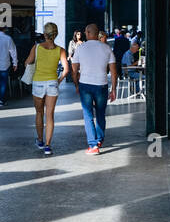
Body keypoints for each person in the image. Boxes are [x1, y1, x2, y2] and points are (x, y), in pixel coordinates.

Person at [71, 22, 116, 154]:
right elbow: (114, 71)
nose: (84, 33)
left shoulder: (80, 48)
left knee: (88, 114)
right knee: (101, 114)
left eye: (86, 31)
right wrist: (113, 89)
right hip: (101, 85)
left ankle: (93, 145)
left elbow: (74, 71)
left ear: (89, 33)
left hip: (85, 85)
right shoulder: (107, 48)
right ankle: (99, 140)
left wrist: (76, 85)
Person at [24, 22, 68, 155]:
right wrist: (58, 81)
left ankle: (40, 140)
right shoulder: (60, 50)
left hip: (38, 83)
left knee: (39, 113)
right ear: (56, 34)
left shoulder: (36, 48)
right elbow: (66, 70)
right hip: (52, 83)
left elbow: (28, 62)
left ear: (44, 34)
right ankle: (48, 146)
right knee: (50, 115)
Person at [0, 25, 19, 108]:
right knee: (3, 83)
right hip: (5, 63)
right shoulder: (8, 38)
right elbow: (13, 51)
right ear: (5, 29)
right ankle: (1, 100)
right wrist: (15, 63)